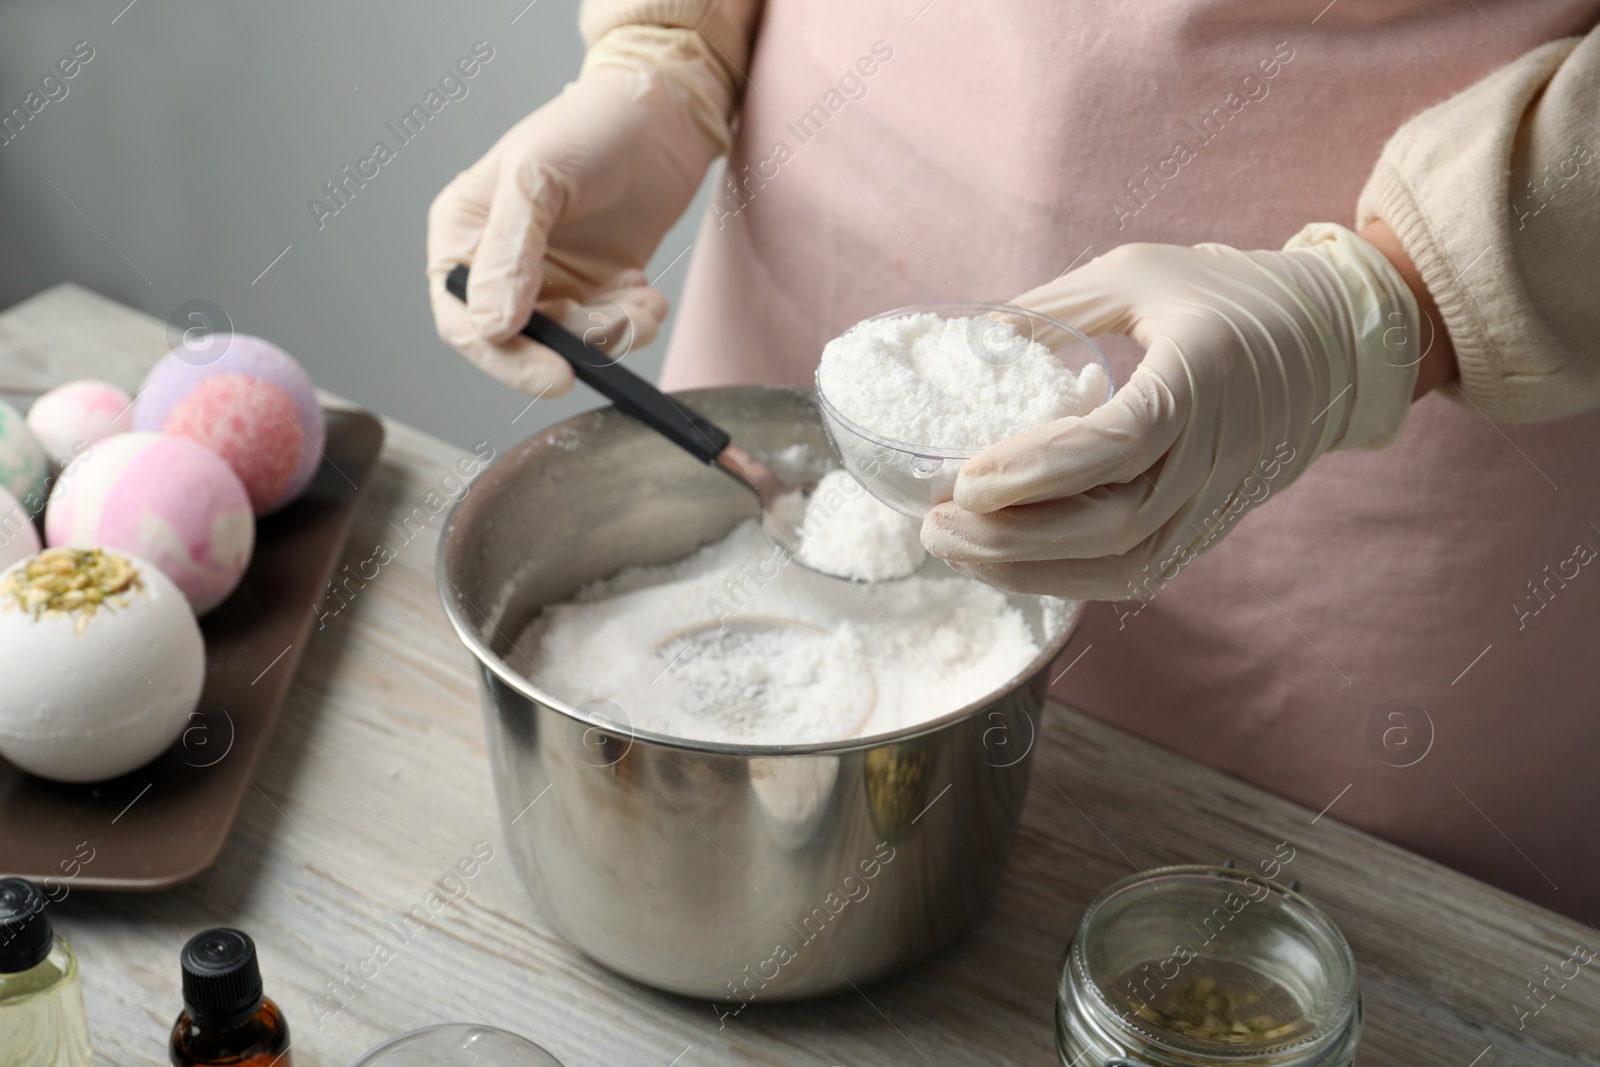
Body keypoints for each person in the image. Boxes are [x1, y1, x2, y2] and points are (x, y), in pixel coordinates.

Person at [427, 1, 1600, 920]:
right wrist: (663, 58)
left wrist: (1377, 308)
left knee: (1293, 934)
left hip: (1406, 433)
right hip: (830, 196)